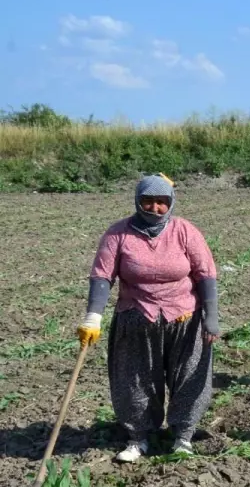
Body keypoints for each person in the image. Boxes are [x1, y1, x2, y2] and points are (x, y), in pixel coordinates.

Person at [77, 174, 220, 462]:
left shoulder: (184, 231)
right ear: (137, 201)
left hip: (184, 318)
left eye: (161, 202)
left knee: (189, 377)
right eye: (147, 201)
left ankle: (183, 436)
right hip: (136, 318)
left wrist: (211, 316)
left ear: (170, 203)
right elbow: (102, 276)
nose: (154, 207)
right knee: (135, 380)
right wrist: (94, 316)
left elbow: (206, 274)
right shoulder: (118, 233)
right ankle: (138, 437)